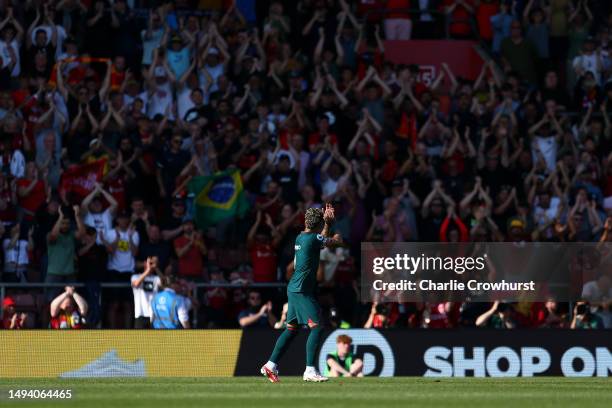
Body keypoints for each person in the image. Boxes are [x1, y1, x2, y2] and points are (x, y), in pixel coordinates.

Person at [261, 203, 342, 383]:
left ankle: (270, 365)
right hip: (301, 291)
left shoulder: (301, 237)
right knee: (317, 327)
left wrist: (326, 224)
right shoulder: (312, 239)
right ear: (319, 223)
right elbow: (336, 242)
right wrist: (334, 228)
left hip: (296, 288)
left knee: (291, 329)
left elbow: (321, 240)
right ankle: (310, 370)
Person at [131, 256, 161, 329]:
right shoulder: (135, 276)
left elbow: (165, 284)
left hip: (154, 315)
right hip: (140, 314)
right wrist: (147, 270)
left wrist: (156, 268)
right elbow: (136, 284)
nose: (150, 265)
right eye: (149, 262)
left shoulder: (156, 278)